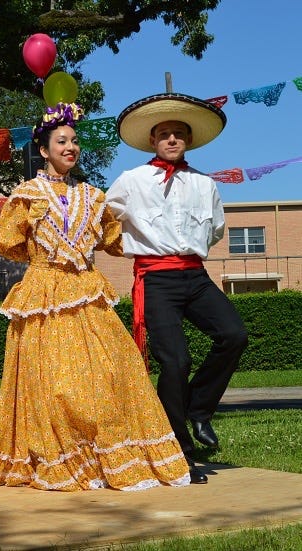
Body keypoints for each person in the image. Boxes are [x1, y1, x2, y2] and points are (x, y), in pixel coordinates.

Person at [0, 102, 192, 491]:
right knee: (54, 385)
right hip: (43, 295)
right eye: (61, 141)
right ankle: (61, 456)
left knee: (112, 374)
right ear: (43, 149)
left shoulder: (93, 195)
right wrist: (42, 261)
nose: (70, 147)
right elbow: (6, 240)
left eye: (74, 141)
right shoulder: (27, 194)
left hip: (87, 292)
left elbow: (115, 239)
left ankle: (107, 456)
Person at [105, 92, 249, 481]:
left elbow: (216, 229)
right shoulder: (131, 181)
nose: (171, 140)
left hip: (195, 276)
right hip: (156, 279)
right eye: (164, 134)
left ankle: (199, 410)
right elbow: (102, 219)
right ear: (153, 140)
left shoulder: (205, 184)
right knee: (176, 363)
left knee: (234, 335)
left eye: (178, 134)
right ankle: (181, 453)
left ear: (188, 141)